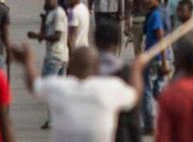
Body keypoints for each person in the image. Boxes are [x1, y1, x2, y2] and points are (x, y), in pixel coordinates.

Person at [8, 36, 143, 142]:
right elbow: (135, 94)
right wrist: (137, 68)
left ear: (71, 67)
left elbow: (34, 85)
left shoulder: (59, 87)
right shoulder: (110, 88)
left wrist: (28, 62)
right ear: (97, 69)